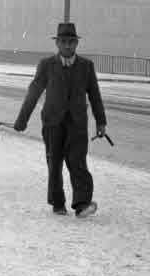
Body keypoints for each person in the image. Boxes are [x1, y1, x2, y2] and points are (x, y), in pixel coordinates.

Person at [13, 22, 107, 218]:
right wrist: (22, 119)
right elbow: (34, 92)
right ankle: (57, 203)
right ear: (57, 44)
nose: (67, 46)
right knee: (54, 163)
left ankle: (82, 203)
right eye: (63, 42)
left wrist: (101, 122)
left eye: (71, 42)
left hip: (77, 124)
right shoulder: (46, 65)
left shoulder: (86, 67)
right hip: (52, 123)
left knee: (78, 162)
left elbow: (95, 96)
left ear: (76, 44)